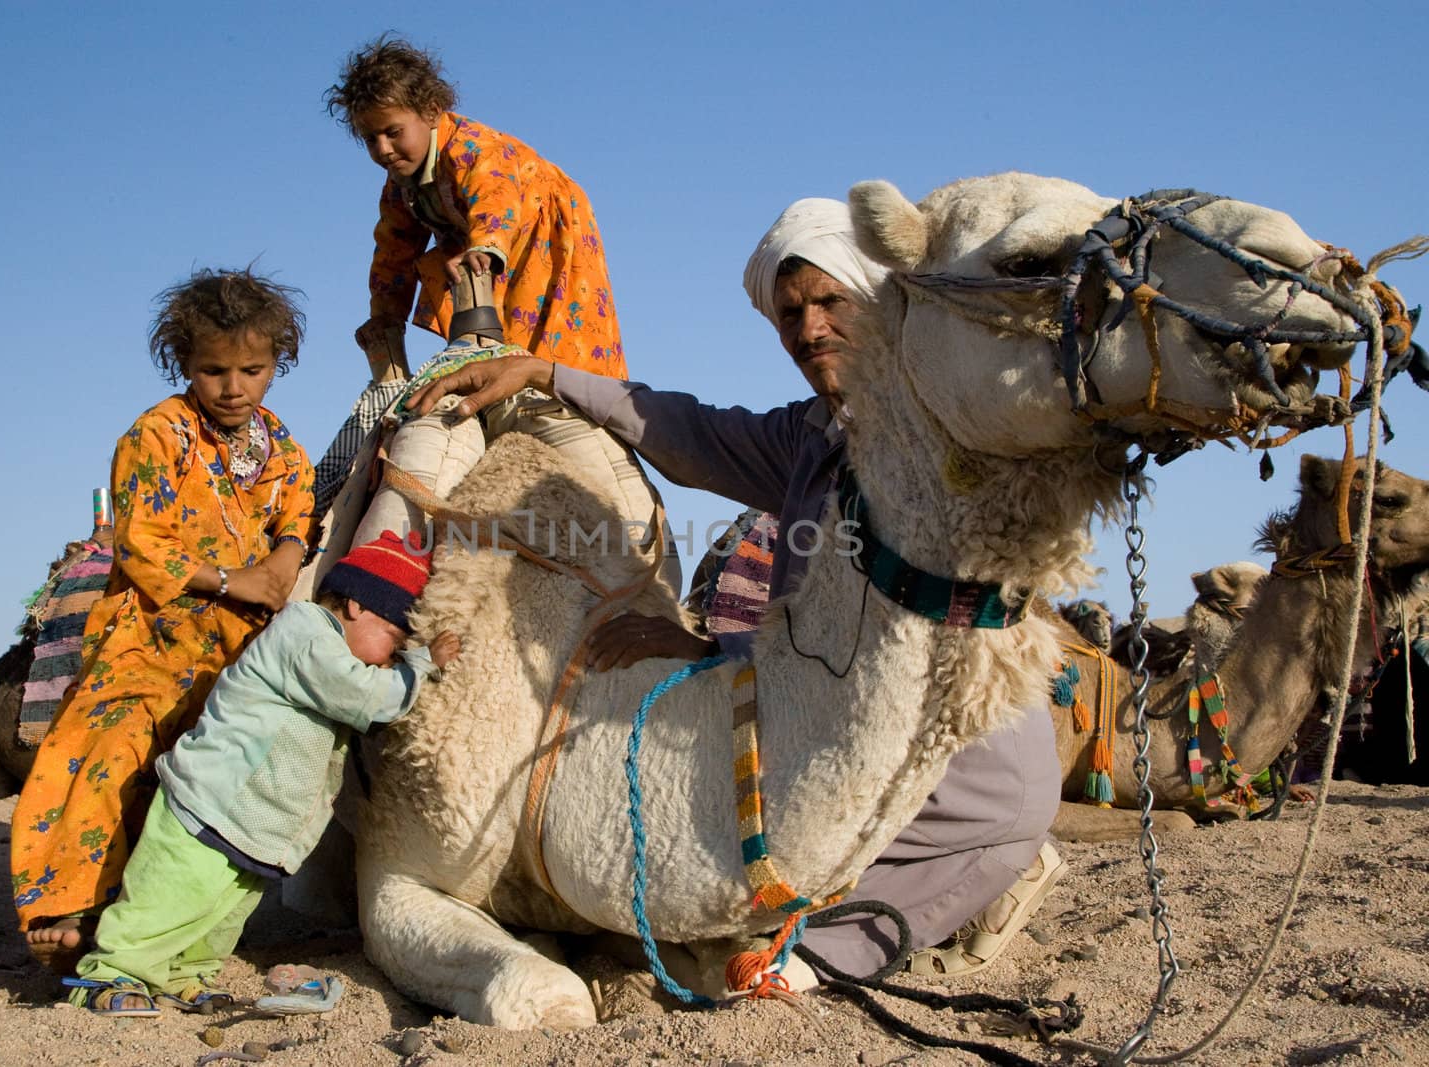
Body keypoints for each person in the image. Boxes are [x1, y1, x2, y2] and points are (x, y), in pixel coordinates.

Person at [403, 198, 1066, 979]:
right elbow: (691, 432)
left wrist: (718, 643)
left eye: (830, 303)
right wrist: (547, 372)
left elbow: (896, 635)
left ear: (877, 304)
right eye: (790, 314)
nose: (810, 330)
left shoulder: (931, 439)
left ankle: (899, 918)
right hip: (839, 714)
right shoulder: (810, 435)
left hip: (957, 753)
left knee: (806, 931)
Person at [12, 268, 319, 973]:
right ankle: (71, 906)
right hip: (152, 631)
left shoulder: (283, 449)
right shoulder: (153, 436)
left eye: (253, 369)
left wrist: (287, 558)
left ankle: (184, 913)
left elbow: (296, 517)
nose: (233, 386)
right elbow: (142, 541)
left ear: (277, 365)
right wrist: (228, 578)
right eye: (214, 370)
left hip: (241, 645)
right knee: (108, 742)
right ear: (185, 363)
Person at [64, 533, 461, 1016]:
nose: (387, 658)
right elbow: (367, 696)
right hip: (212, 802)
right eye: (393, 642)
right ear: (356, 606)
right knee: (170, 895)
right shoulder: (306, 633)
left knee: (219, 914)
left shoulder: (332, 650)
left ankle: (185, 974)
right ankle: (112, 973)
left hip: (253, 823)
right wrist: (421, 665)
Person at [314, 36, 663, 570]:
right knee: (470, 297)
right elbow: (393, 249)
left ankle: (552, 386)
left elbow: (496, 200)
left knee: (552, 339)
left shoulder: (473, 148)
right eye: (371, 138)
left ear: (431, 112)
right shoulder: (401, 186)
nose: (384, 148)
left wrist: (486, 248)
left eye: (393, 132)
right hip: (487, 252)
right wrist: (384, 317)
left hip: (538, 234)